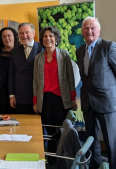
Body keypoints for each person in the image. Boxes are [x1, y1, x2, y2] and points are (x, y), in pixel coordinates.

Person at [76, 17, 116, 169]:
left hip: (107, 103)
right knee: (91, 141)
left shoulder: (109, 47)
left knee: (111, 143)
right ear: (82, 32)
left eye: (93, 28)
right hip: (88, 103)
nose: (89, 31)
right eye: (86, 28)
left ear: (99, 30)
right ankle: (94, 166)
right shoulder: (79, 50)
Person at [33, 26, 77, 162]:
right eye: (45, 36)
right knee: (50, 130)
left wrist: (73, 98)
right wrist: (35, 102)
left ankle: (63, 158)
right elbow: (35, 81)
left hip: (61, 99)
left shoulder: (64, 55)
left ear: (56, 38)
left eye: (51, 36)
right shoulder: (38, 58)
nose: (48, 39)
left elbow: (70, 79)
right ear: (42, 40)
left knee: (62, 130)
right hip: (45, 99)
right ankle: (51, 159)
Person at [8, 23, 43, 114]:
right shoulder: (15, 51)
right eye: (21, 33)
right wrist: (12, 95)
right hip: (20, 96)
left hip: (38, 96)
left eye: (27, 32)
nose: (24, 36)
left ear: (33, 33)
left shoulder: (42, 49)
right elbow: (11, 74)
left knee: (37, 126)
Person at [0, 27, 20, 114]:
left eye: (9, 36)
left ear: (14, 37)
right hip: (2, 92)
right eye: (4, 37)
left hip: (18, 90)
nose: (7, 38)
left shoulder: (21, 52)